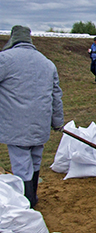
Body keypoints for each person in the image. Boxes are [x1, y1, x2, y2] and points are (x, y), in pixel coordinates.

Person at [0, 25, 64, 207]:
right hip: (40, 123)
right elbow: (56, 96)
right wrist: (57, 122)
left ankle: (26, 202)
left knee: (21, 164)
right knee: (35, 160)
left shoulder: (5, 60)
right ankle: (33, 196)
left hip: (16, 125)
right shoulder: (47, 63)